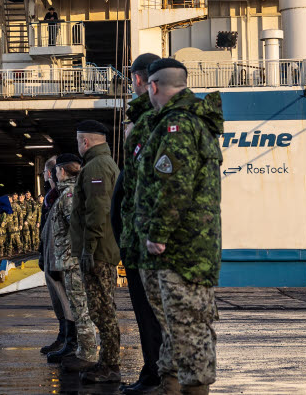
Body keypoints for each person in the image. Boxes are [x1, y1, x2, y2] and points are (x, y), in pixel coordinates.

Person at [138, 58, 223, 395]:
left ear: (153, 86)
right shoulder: (191, 122)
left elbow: (174, 187)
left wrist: (157, 235)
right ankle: (172, 387)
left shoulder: (177, 126)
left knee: (189, 332)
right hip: (188, 248)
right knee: (178, 329)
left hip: (181, 251)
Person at [115, 52, 165, 395]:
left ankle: (157, 374)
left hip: (146, 241)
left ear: (139, 80)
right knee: (150, 313)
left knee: (152, 314)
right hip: (138, 239)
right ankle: (155, 371)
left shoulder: (153, 123)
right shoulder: (152, 121)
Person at [70, 119, 122, 383]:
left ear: (85, 141)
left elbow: (97, 211)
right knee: (102, 309)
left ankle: (111, 365)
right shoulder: (103, 163)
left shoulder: (96, 166)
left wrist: (88, 250)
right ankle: (107, 362)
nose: (78, 145)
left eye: (79, 140)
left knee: (103, 311)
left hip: (99, 252)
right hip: (101, 249)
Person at [48, 154, 102, 371]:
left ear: (61, 171)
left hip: (73, 262)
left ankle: (88, 354)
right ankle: (82, 350)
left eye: (56, 171)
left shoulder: (69, 194)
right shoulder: (68, 192)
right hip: (70, 261)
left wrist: (79, 255)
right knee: (77, 307)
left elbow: (78, 227)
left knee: (80, 309)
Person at [38, 156, 72, 357]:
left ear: (51, 173)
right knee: (56, 301)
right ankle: (62, 337)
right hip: (50, 253)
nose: (43, 175)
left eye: (44, 171)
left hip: (60, 256)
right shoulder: (50, 196)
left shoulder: (60, 195)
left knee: (65, 300)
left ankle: (68, 339)